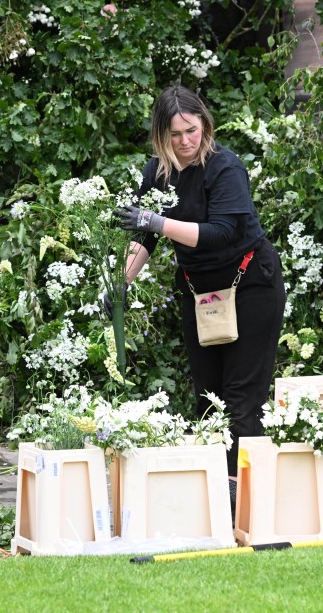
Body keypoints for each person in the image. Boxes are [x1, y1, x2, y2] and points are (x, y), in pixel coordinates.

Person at [113, 85, 286, 497]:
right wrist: (121, 283)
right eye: (175, 135)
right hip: (201, 294)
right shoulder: (157, 172)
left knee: (241, 401)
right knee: (208, 400)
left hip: (250, 286)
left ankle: (245, 501)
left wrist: (158, 222)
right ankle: (213, 496)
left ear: (204, 124)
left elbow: (221, 233)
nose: (186, 141)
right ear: (161, 136)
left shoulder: (225, 167)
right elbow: (145, 236)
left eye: (191, 130)